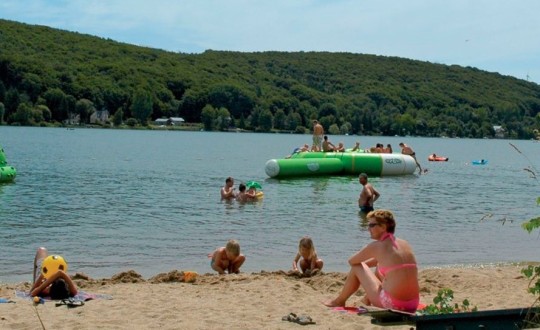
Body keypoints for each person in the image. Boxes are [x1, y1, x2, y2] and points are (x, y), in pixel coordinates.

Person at [323, 210, 420, 313]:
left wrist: (364, 268)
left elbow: (352, 261)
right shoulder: (404, 244)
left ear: (383, 227)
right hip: (413, 304)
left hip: (393, 304)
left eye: (372, 225)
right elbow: (387, 261)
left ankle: (339, 301)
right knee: (379, 268)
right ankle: (366, 299)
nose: (368, 228)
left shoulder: (376, 246)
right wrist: (371, 266)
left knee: (357, 267)